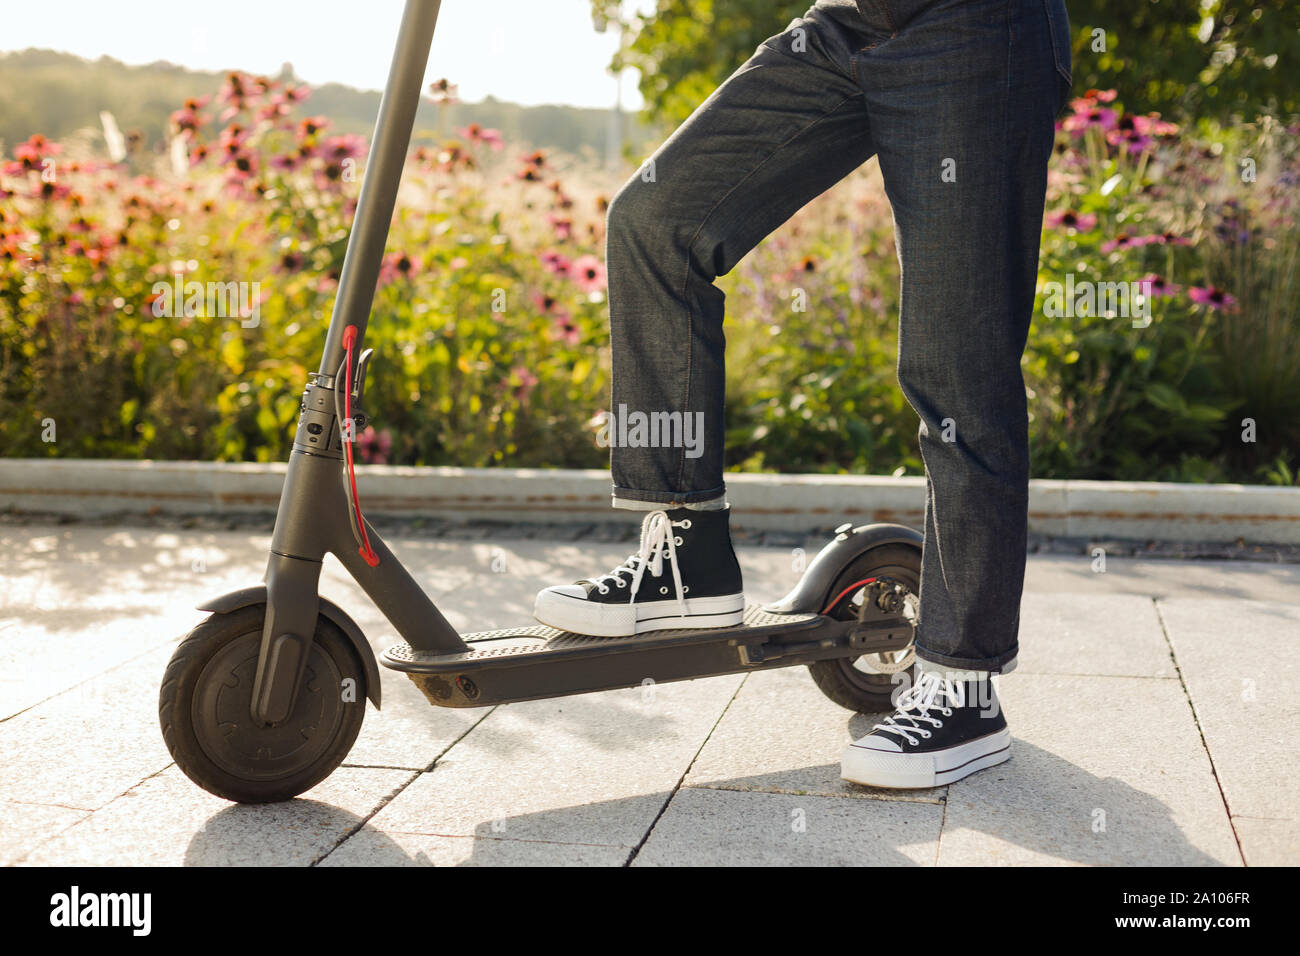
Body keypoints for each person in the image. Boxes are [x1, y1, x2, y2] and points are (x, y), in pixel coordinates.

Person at [534, 0, 1072, 788]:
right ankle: (691, 553)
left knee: (958, 365)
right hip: (851, 22)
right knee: (656, 222)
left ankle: (964, 686)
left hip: (975, 29)